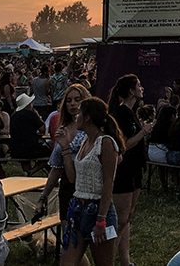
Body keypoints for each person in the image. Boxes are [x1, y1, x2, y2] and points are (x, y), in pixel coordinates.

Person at [58, 97, 123, 266]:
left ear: (87, 117)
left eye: (79, 112)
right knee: (66, 262)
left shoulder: (106, 143)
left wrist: (101, 219)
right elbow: (73, 178)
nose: (76, 116)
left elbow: (109, 183)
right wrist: (65, 148)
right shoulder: (85, 142)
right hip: (78, 209)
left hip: (98, 211)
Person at [109, 74, 153, 266]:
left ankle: (125, 260)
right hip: (124, 171)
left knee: (128, 217)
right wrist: (143, 132)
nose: (142, 88)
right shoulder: (121, 114)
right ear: (131, 91)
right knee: (120, 218)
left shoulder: (131, 111)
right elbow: (124, 143)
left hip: (135, 169)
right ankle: (107, 259)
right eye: (139, 86)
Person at [37, 84, 91, 223]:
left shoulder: (91, 130)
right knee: (68, 236)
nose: (73, 103)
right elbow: (56, 168)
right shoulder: (63, 129)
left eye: (77, 99)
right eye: (69, 100)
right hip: (67, 187)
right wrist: (43, 196)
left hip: (87, 186)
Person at [10, 92, 51, 159]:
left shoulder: (13, 116)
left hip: (16, 150)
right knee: (49, 153)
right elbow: (43, 129)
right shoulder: (31, 114)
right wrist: (38, 116)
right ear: (28, 104)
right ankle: (34, 169)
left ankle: (28, 169)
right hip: (31, 149)